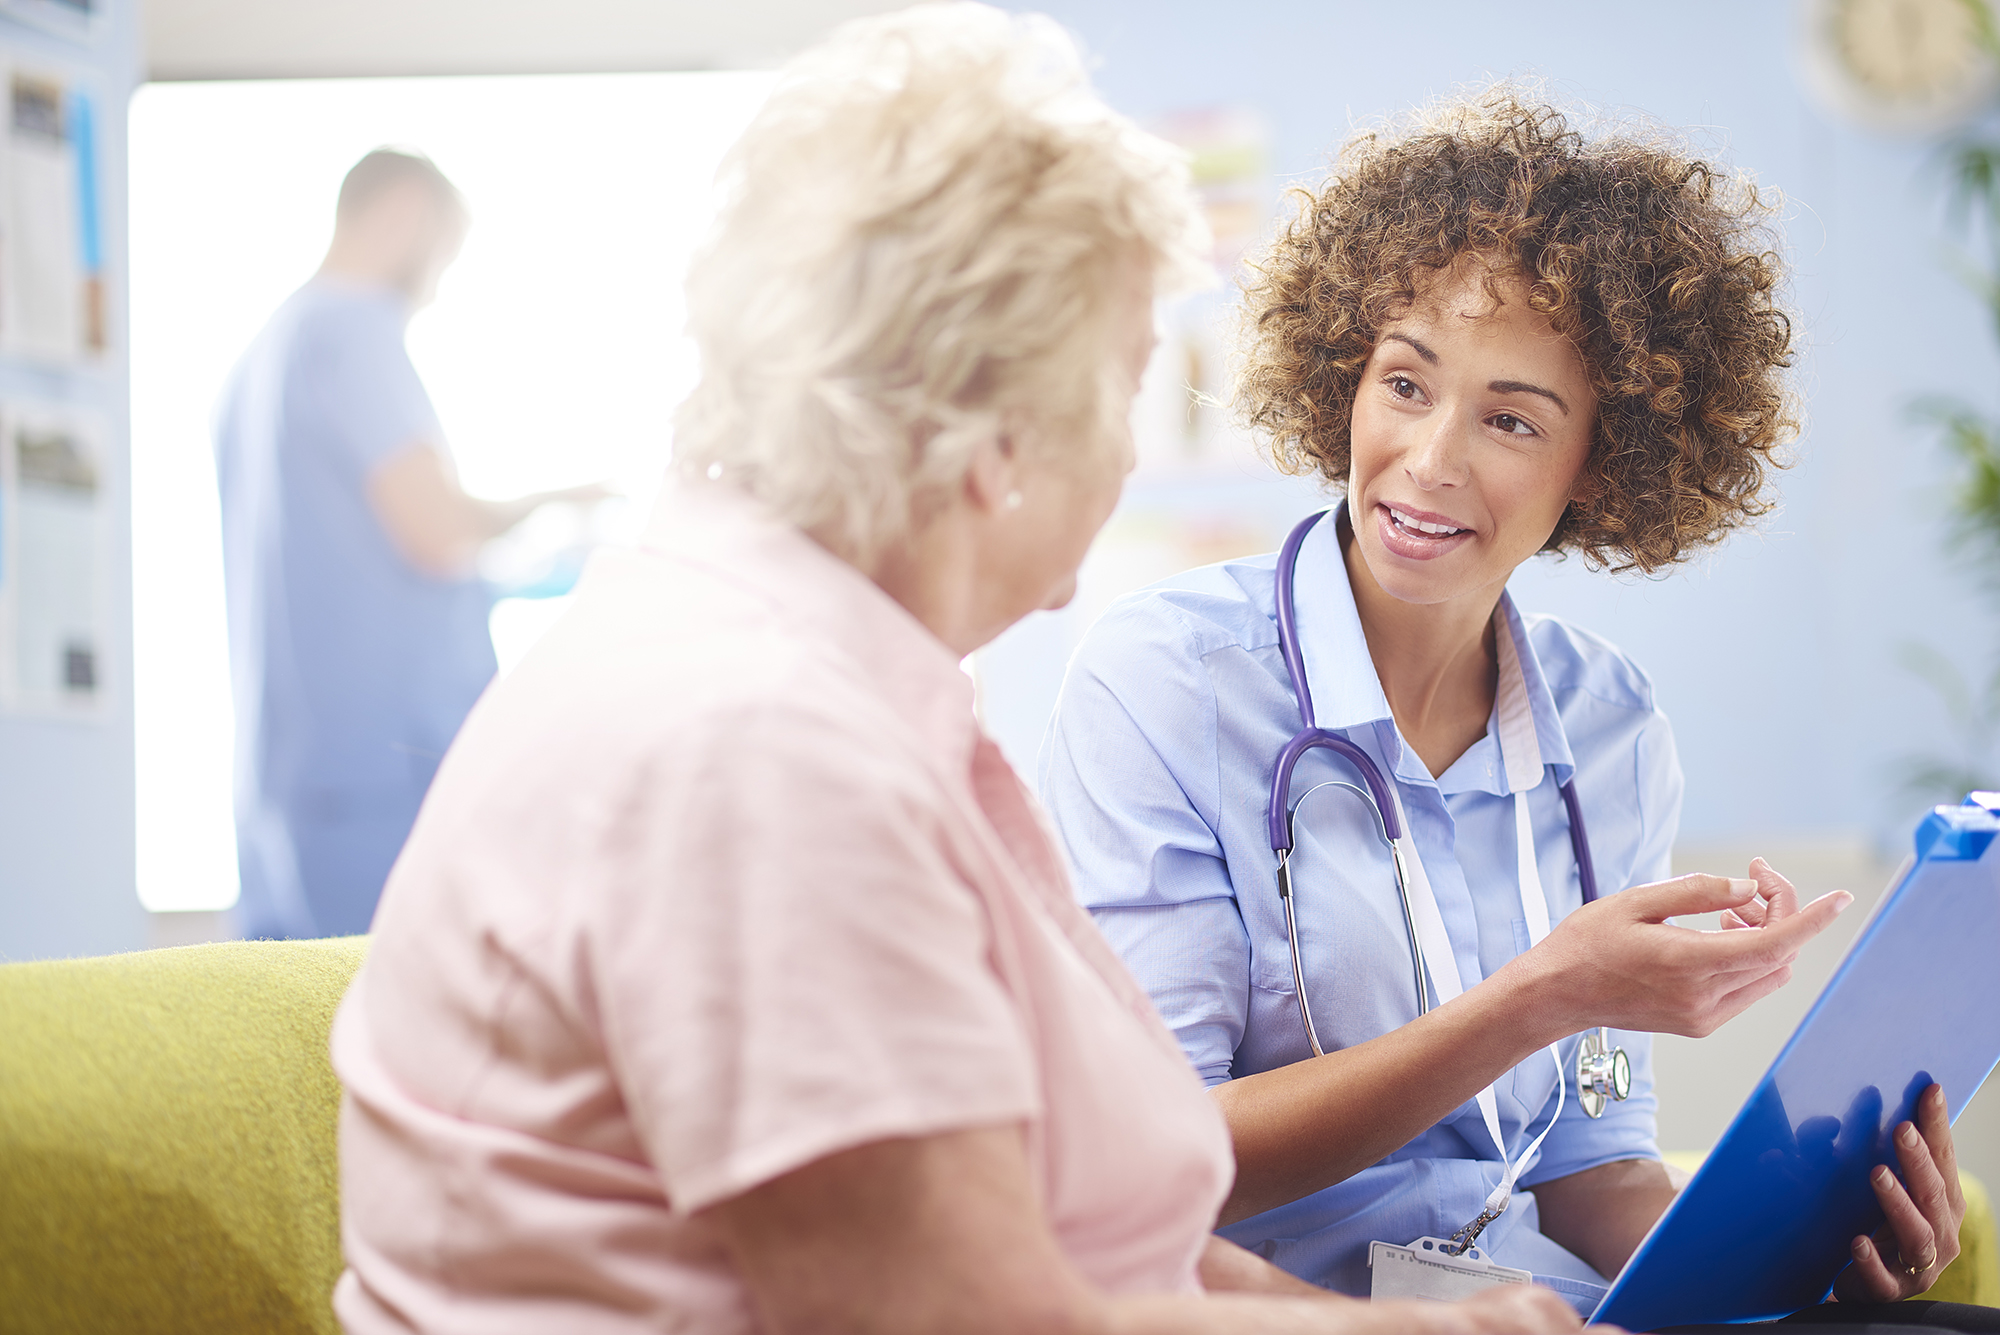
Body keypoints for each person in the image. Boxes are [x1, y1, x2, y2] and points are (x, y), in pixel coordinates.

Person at [328, 12, 1588, 1334]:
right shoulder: (758, 748)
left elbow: (1116, 1232)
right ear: (997, 440)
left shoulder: (810, 672)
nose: (1123, 461)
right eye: (1122, 392)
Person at [1039, 90, 1970, 1322]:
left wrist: (1808, 1262)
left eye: (1510, 420)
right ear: (1344, 380)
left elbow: (1589, 1171)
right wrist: (1539, 996)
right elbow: (1160, 1162)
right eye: (1405, 384)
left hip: (1541, 1306)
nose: (1429, 462)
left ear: (1602, 464)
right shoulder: (1169, 679)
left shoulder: (1607, 725)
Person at [215, 148, 603, 940]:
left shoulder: (261, 355)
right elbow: (437, 530)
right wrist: (562, 505)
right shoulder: (351, 327)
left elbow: (350, 570)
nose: (435, 285)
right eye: (444, 253)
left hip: (294, 780)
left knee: (290, 1032)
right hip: (378, 778)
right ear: (401, 214)